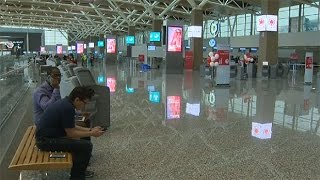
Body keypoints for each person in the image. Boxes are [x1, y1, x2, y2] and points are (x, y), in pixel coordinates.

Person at [35, 86, 105, 180]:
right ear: (77, 99)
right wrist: (92, 133)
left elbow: (71, 126)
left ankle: (81, 169)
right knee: (86, 146)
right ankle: (77, 176)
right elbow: (71, 133)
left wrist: (90, 130)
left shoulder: (66, 103)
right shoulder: (68, 108)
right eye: (84, 103)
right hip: (45, 141)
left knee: (84, 138)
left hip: (50, 135)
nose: (84, 106)